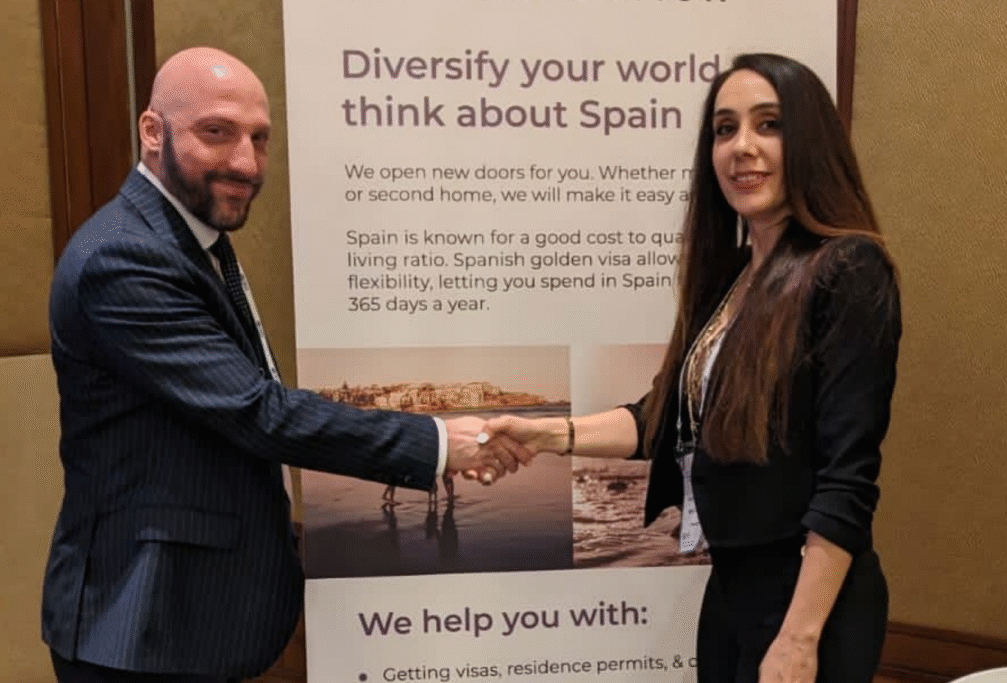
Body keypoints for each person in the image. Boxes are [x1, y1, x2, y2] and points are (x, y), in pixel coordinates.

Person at [42, 47, 527, 683]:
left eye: (260, 138)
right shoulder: (125, 256)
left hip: (181, 619)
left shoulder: (187, 238)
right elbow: (257, 411)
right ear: (153, 131)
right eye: (218, 132)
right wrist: (437, 443)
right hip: (140, 622)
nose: (246, 163)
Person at [484, 53, 901, 683]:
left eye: (769, 124)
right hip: (732, 588)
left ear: (811, 141)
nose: (742, 147)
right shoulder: (730, 276)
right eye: (725, 129)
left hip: (807, 603)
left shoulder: (849, 269)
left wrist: (799, 638)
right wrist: (547, 435)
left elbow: (848, 478)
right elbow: (663, 418)